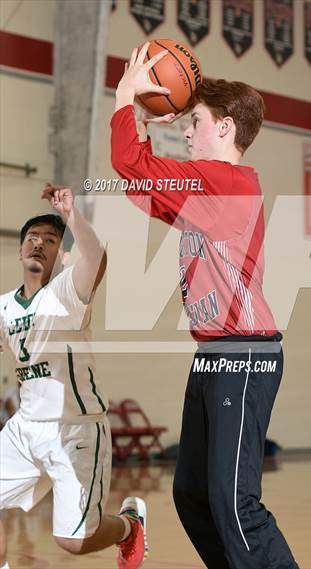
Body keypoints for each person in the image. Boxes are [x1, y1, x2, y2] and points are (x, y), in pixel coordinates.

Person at [110, 43, 300, 569]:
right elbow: (139, 184)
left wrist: (127, 98)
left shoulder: (227, 184)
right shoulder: (205, 193)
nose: (187, 131)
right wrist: (143, 123)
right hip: (216, 357)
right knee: (193, 496)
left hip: (244, 356)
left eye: (195, 120)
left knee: (235, 505)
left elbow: (132, 164)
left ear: (225, 128)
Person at [0, 185, 148, 569]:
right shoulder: (3, 307)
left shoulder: (67, 290)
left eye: (49, 240)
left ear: (62, 254)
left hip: (75, 429)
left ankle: (129, 526)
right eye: (31, 238)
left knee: (73, 542)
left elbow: (96, 257)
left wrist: (71, 217)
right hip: (24, 428)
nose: (38, 244)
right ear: (19, 251)